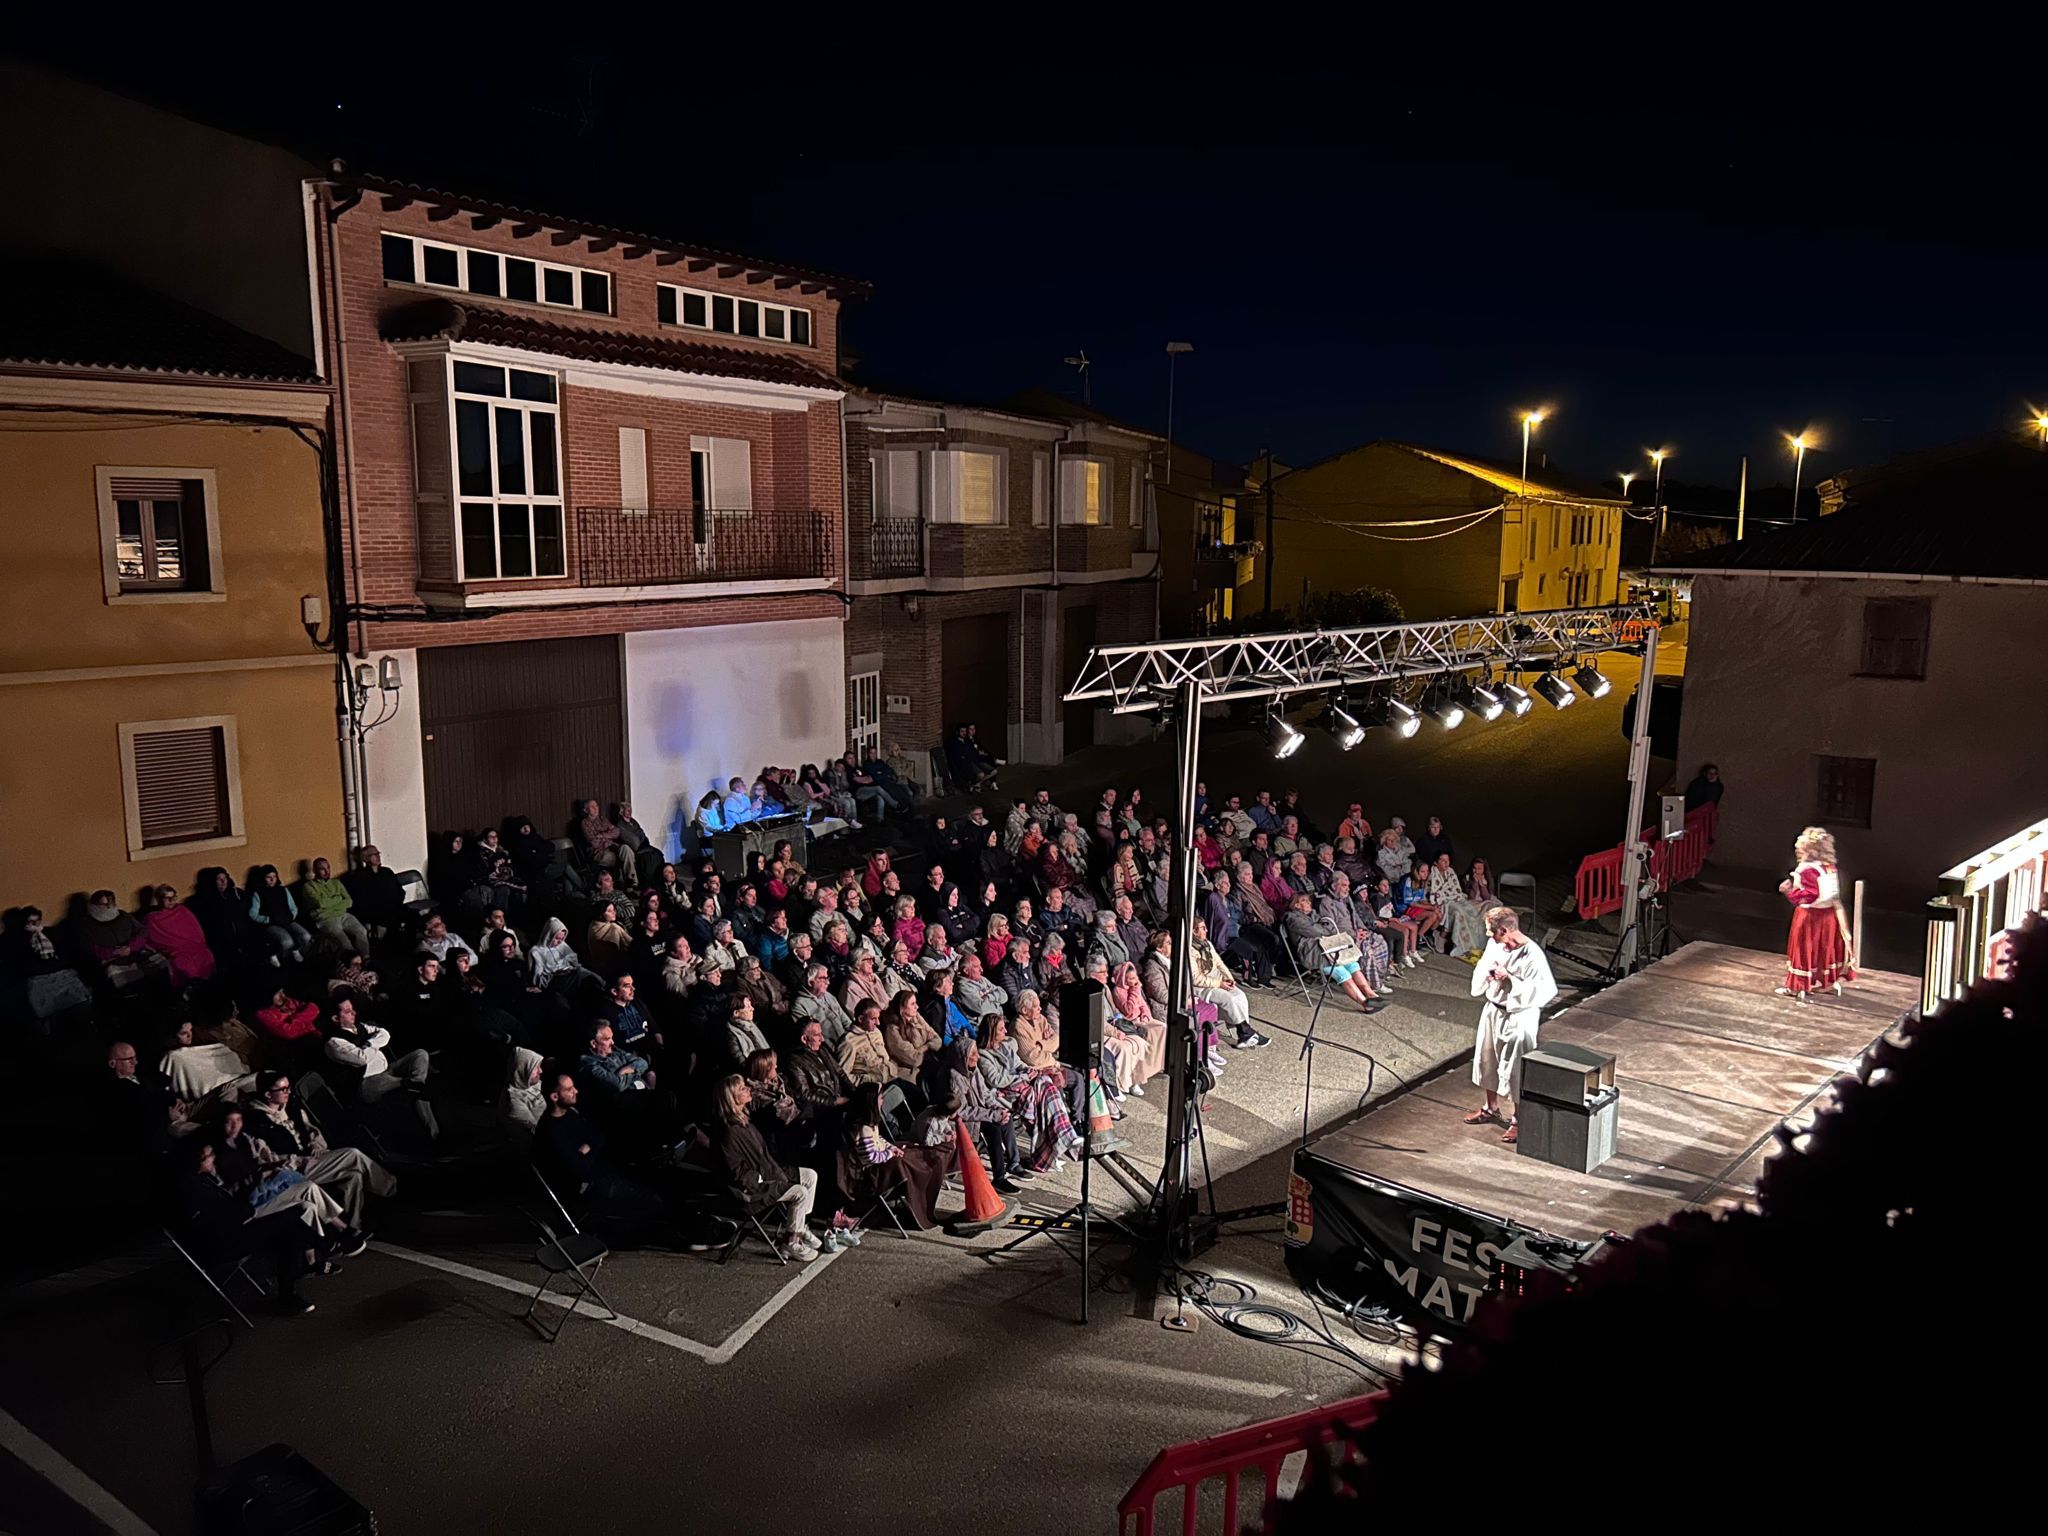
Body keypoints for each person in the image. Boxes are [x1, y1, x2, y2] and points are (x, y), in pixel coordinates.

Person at [173, 1139, 323, 1316]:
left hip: (236, 1228)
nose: (213, 1158)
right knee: (291, 1226)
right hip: (222, 1244)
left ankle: (293, 1279)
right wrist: (246, 1212)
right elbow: (213, 1225)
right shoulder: (189, 1190)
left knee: (292, 1221)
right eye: (209, 1156)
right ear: (198, 1161)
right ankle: (290, 1287)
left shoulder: (203, 1180)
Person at [241, 1068, 397, 1228]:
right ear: (268, 1095)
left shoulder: (291, 1108)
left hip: (314, 1158)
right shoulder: (257, 1122)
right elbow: (267, 1158)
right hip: (296, 1169)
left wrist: (315, 1144)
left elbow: (310, 1129)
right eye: (283, 1089)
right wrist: (298, 1160)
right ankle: (392, 1189)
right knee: (353, 1154)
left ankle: (352, 1225)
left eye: (288, 1087)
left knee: (353, 1175)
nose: (288, 1092)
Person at [1464, 907, 1558, 1146]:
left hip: (1519, 1016)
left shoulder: (1532, 955)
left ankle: (1519, 1119)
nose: (1489, 937)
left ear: (1504, 930)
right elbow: (1483, 968)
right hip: (1494, 1009)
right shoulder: (1496, 945)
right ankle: (1490, 1107)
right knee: (1488, 1059)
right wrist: (1487, 975)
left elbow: (1544, 990)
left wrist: (1509, 978)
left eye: (1491, 932)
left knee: (1516, 1068)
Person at [717, 1074, 822, 1260]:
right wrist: (760, 1178)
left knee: (810, 1176)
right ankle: (791, 1241)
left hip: (769, 1171)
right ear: (732, 1098)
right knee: (800, 1192)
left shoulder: (745, 1121)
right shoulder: (730, 1132)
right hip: (754, 1187)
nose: (748, 1089)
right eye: (742, 1089)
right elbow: (735, 1171)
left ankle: (799, 1226)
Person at [322, 995, 438, 1143]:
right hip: (368, 1082)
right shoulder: (334, 1043)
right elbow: (361, 1059)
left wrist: (370, 1044)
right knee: (412, 1088)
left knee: (420, 1054)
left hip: (387, 1068)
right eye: (348, 1011)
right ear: (335, 1018)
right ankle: (434, 1136)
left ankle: (417, 1083)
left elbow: (384, 1033)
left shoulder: (360, 1027)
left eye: (352, 1009)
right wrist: (373, 1045)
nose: (354, 1013)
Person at [841, 1081, 955, 1231]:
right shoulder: (863, 1129)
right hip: (871, 1172)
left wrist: (892, 1147)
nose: (883, 1100)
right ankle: (916, 1201)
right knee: (907, 1165)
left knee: (909, 1154)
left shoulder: (871, 1124)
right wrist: (890, 1153)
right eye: (881, 1098)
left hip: (884, 1158)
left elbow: (880, 1139)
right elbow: (872, 1157)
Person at [1777, 826, 1855, 1000]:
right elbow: (1834, 896)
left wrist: (1788, 891)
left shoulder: (1806, 870)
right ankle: (1825, 982)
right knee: (1823, 948)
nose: (1798, 853)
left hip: (1809, 916)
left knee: (1803, 949)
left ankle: (1797, 986)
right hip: (1828, 914)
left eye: (1801, 850)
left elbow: (1809, 896)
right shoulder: (1829, 867)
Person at [1282, 891, 1383, 1012]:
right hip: (1313, 952)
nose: (1309, 903)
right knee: (1340, 971)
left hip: (1327, 948)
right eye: (1304, 901)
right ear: (1296, 905)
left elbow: (1330, 925)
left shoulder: (1314, 914)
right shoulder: (1292, 918)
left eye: (1308, 900)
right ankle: (1365, 1003)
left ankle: (1371, 995)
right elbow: (1314, 931)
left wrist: (1325, 929)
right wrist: (1325, 929)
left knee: (1352, 964)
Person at [1191, 916, 1271, 1049]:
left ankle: (1244, 1032)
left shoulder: (1207, 944)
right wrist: (1219, 984)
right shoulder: (1190, 950)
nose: (1206, 930)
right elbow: (1196, 979)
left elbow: (1219, 963)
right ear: (1194, 931)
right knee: (1229, 999)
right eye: (1203, 928)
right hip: (1202, 986)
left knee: (1240, 995)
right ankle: (1246, 1033)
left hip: (1217, 980)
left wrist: (1229, 978)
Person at [143, 885, 216, 986]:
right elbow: (150, 937)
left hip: (194, 946)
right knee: (181, 964)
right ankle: (190, 989)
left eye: (174, 897)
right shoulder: (152, 917)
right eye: (168, 898)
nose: (172, 901)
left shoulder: (183, 910)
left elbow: (196, 931)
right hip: (176, 951)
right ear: (159, 899)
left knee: (206, 955)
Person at [300, 858, 371, 954]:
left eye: (328, 867)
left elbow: (349, 901)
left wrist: (330, 905)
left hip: (342, 915)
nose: (326, 871)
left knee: (361, 931)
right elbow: (321, 903)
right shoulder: (309, 886)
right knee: (344, 941)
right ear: (315, 871)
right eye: (322, 869)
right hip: (325, 919)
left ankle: (366, 958)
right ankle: (351, 964)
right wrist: (338, 898)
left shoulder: (336, 883)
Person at [248, 866, 313, 965]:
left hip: (286, 919)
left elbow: (293, 907)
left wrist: (292, 916)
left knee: (306, 936)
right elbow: (253, 914)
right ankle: (272, 954)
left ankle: (295, 949)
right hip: (271, 923)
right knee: (287, 941)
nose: (272, 879)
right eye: (268, 877)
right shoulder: (258, 893)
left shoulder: (283, 890)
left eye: (274, 876)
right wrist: (267, 919)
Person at [1429, 853, 1488, 959]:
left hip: (1455, 897)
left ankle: (1471, 943)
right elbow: (1433, 892)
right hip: (1441, 901)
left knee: (1471, 910)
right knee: (1458, 911)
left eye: (1448, 860)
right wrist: (1444, 896)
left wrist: (1451, 895)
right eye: (1443, 860)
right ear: (1436, 862)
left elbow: (1456, 889)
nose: (1447, 863)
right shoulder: (1432, 873)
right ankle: (1442, 936)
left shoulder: (1450, 871)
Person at [343, 845, 409, 939]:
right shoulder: (359, 877)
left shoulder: (387, 872)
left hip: (394, 907)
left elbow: (400, 891)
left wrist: (397, 902)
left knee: (413, 915)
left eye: (378, 853)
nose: (378, 856)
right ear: (365, 858)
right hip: (377, 913)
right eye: (374, 854)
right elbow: (361, 901)